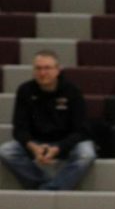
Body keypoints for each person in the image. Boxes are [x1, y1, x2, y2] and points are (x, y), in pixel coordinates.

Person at [0, 50, 96, 190]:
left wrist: (59, 147)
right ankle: (42, 184)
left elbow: (82, 130)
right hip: (36, 143)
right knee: (6, 151)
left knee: (87, 154)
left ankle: (52, 189)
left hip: (66, 143)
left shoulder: (72, 91)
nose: (42, 73)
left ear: (58, 70)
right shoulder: (25, 90)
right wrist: (33, 147)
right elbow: (19, 129)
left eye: (47, 68)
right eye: (38, 68)